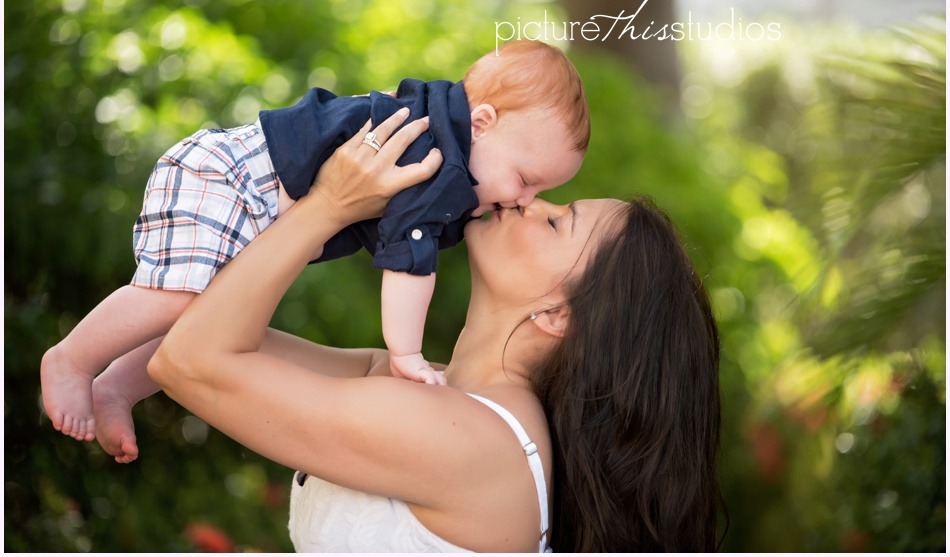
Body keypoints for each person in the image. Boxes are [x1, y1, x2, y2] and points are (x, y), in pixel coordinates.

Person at [148, 110, 726, 551]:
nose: (528, 201)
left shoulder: (474, 444)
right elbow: (191, 328)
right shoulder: (433, 393)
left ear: (558, 316)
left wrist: (331, 206)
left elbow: (190, 361)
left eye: (557, 222)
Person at [40, 39, 589, 453]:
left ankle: (117, 388)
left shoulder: (445, 140)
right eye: (525, 179)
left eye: (544, 193)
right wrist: (406, 354)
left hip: (253, 204)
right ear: (484, 123)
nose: (525, 200)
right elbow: (408, 262)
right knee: (174, 298)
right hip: (230, 178)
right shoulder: (433, 157)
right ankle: (70, 359)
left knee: (203, 311)